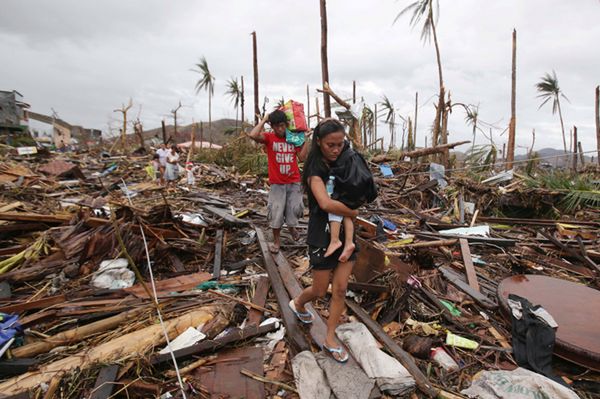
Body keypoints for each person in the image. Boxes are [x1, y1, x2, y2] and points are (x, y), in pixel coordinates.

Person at [290, 118, 375, 363]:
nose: (336, 149)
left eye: (340, 144)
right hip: (322, 233)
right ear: (319, 143)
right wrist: (353, 212)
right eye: (330, 145)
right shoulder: (315, 169)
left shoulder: (345, 161)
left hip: (346, 235)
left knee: (339, 289)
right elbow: (326, 204)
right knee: (318, 290)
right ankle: (298, 303)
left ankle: (330, 337)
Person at [247, 110, 310, 253]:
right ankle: (276, 241)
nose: (280, 129)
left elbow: (301, 157)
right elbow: (253, 135)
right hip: (277, 183)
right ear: (272, 126)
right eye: (276, 126)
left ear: (286, 125)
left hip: (294, 181)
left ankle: (292, 228)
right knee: (276, 212)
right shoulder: (269, 138)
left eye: (282, 126)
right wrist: (264, 120)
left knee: (294, 210)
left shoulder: (293, 138)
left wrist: (305, 139)